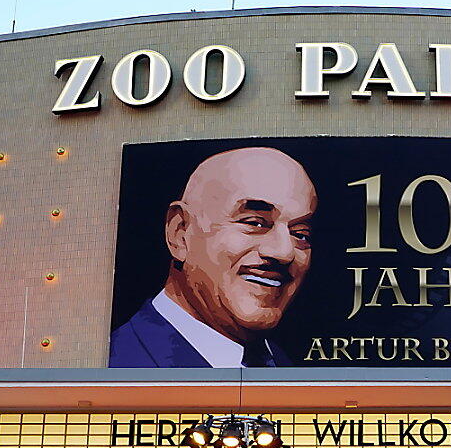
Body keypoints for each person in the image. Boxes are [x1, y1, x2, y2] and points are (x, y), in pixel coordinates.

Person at [109, 147, 317, 367]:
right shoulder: (122, 366)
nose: (284, 252)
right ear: (180, 233)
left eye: (300, 234)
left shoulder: (283, 366)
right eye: (254, 223)